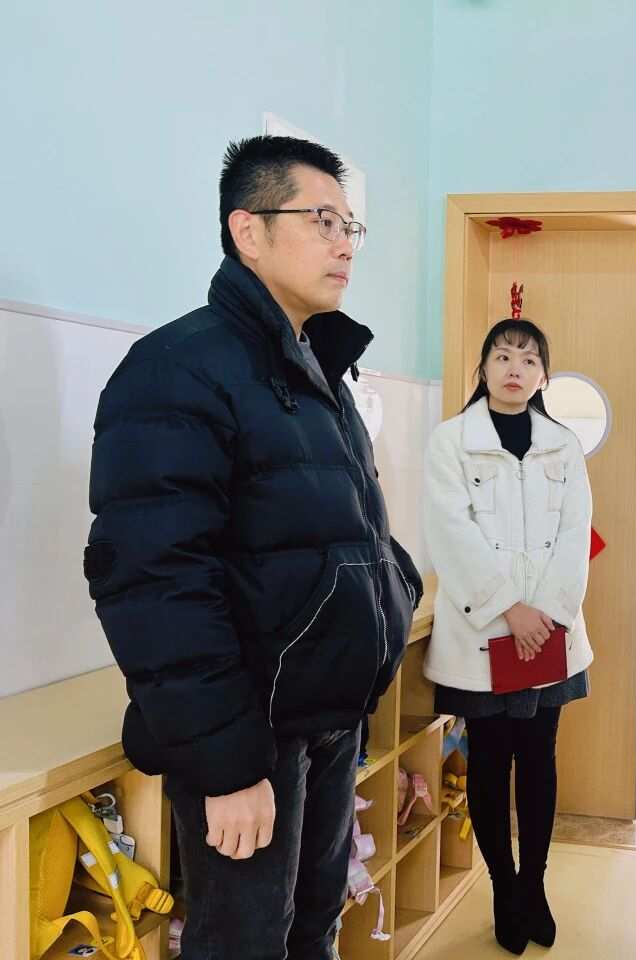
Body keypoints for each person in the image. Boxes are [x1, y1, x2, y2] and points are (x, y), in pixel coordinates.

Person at [84, 135, 422, 959]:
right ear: (248, 231)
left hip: (328, 720)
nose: (345, 243)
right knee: (244, 944)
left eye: (350, 225)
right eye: (322, 220)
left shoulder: (319, 369)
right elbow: (155, 583)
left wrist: (395, 592)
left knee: (313, 931)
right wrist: (228, 766)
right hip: (252, 735)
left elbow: (349, 528)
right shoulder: (177, 368)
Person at [423, 318, 594, 955]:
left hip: (548, 632)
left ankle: (534, 886)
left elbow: (575, 534)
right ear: (484, 369)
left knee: (540, 759)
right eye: (502, 356)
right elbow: (449, 531)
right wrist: (507, 609)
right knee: (490, 761)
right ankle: (502, 887)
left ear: (543, 376)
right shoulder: (451, 441)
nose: (514, 368)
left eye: (528, 359)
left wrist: (543, 612)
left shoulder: (563, 446)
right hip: (483, 634)